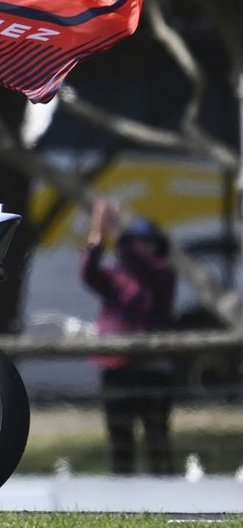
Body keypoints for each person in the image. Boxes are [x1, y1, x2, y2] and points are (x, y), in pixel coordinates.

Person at [81, 199, 175, 475]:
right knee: (120, 438)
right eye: (137, 242)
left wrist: (117, 231)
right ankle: (122, 497)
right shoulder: (115, 278)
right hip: (117, 368)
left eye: (146, 242)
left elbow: (140, 262)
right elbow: (88, 272)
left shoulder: (162, 274)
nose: (140, 248)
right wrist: (97, 237)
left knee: (157, 436)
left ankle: (167, 491)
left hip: (153, 370)